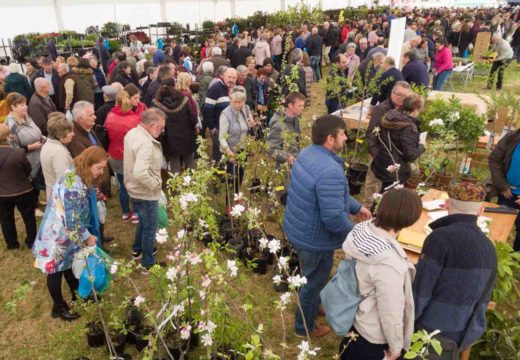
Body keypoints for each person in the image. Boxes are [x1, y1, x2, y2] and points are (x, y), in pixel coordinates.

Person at [284, 115, 372, 338]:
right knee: (313, 282)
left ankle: (315, 306)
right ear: (330, 139)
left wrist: (356, 207)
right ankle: (303, 327)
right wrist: (360, 234)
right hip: (314, 239)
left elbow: (331, 197)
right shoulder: (329, 170)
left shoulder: (308, 153)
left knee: (315, 276)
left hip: (300, 228)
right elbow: (333, 218)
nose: (346, 137)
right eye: (342, 133)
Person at [413, 183, 498, 354]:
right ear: (480, 211)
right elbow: (483, 299)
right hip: (462, 335)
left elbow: (419, 294)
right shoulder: (489, 247)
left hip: (428, 335)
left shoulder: (439, 238)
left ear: (446, 206)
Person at [340, 188, 422, 360]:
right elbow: (391, 311)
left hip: (352, 315)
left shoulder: (361, 229)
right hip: (371, 335)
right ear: (410, 219)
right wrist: (395, 347)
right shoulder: (389, 263)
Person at [33, 146, 108, 321]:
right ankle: (58, 307)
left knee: (68, 264)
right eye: (99, 168)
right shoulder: (72, 186)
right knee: (55, 270)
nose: (101, 172)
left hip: (67, 233)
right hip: (58, 235)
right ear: (88, 164)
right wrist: (87, 236)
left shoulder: (76, 173)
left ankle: (78, 296)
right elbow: (72, 219)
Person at [124, 108, 166, 273]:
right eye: (161, 127)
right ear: (152, 125)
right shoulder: (146, 143)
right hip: (145, 192)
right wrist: (155, 184)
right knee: (150, 227)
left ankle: (138, 249)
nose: (162, 130)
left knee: (143, 220)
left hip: (134, 189)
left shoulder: (133, 133)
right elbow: (140, 172)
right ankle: (147, 263)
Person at [364, 81, 411, 208]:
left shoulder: (405, 110)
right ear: (392, 93)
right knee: (373, 180)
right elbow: (371, 133)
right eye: (398, 94)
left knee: (389, 180)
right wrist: (376, 154)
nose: (401, 98)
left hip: (394, 153)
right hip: (379, 151)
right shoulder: (381, 109)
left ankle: (383, 206)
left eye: (405, 96)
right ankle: (368, 207)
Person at [371, 93, 425, 190]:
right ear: (416, 109)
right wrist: (422, 146)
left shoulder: (391, 116)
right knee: (391, 197)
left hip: (383, 161)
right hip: (396, 168)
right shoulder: (408, 127)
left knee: (384, 191)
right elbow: (410, 155)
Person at [105, 88, 144, 222]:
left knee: (122, 185)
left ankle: (125, 211)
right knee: (135, 184)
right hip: (131, 156)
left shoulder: (110, 116)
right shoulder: (134, 119)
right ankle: (137, 212)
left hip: (115, 155)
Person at [0, 123, 37, 250]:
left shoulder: (17, 152)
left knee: (6, 218)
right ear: (7, 137)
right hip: (23, 190)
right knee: (28, 217)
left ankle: (12, 243)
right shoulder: (18, 153)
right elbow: (28, 169)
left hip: (2, 193)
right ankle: (31, 241)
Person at [5, 92, 44, 207]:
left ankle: (36, 201)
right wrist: (32, 147)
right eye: (21, 105)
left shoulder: (26, 116)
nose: (25, 107)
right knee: (30, 183)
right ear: (12, 107)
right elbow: (13, 150)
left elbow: (37, 132)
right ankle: (33, 206)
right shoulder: (10, 125)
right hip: (26, 160)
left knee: (36, 182)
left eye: (25, 104)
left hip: (37, 156)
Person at [154, 79, 198, 173]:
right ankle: (194, 184)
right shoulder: (183, 99)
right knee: (189, 161)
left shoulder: (158, 104)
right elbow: (193, 119)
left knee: (174, 164)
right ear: (174, 86)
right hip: (186, 136)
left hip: (169, 138)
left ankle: (177, 186)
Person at [489, 128, 520, 251]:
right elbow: (494, 159)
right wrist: (502, 184)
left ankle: (516, 261)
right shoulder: (512, 137)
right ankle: (493, 256)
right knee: (498, 227)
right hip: (506, 193)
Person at [204, 67, 237, 162]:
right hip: (219, 130)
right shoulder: (215, 88)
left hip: (233, 131)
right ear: (224, 76)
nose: (231, 80)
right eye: (229, 77)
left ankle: (231, 176)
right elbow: (207, 109)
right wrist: (212, 128)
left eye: (234, 78)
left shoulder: (236, 90)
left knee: (231, 157)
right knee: (219, 158)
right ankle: (219, 176)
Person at [40, 112, 74, 202]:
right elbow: (64, 180)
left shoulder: (48, 145)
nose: (73, 134)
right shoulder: (59, 153)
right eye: (70, 131)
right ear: (61, 135)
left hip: (52, 191)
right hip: (61, 197)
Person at [266, 92, 305, 165]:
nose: (302, 108)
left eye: (303, 106)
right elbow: (271, 149)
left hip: (295, 163)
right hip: (284, 168)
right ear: (290, 105)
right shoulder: (279, 125)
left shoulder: (295, 119)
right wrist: (286, 157)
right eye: (299, 106)